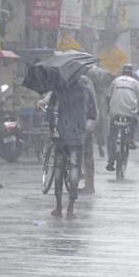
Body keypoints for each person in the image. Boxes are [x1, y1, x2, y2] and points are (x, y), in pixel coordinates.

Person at [47, 77, 97, 217]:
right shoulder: (86, 90)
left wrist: (52, 129)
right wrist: (85, 129)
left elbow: (50, 111)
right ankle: (70, 207)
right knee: (75, 168)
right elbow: (92, 114)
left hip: (61, 136)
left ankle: (58, 207)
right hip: (77, 136)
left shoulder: (59, 89)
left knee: (58, 168)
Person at [105, 64, 139, 171]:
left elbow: (108, 96)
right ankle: (130, 140)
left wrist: (109, 109)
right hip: (129, 113)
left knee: (112, 135)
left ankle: (111, 160)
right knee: (134, 122)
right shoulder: (136, 83)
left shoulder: (115, 81)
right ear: (131, 73)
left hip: (115, 112)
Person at [78, 75, 99, 194]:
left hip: (84, 124)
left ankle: (89, 185)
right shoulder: (63, 83)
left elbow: (93, 109)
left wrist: (90, 124)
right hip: (69, 123)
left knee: (87, 154)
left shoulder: (86, 83)